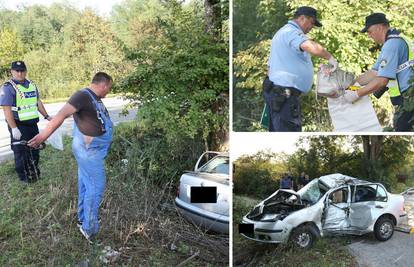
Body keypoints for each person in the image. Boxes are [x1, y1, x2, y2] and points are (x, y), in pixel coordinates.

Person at [29, 72, 114, 243]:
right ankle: (89, 229)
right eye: (109, 88)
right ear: (104, 84)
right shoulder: (82, 95)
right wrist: (41, 138)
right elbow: (60, 116)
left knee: (86, 184)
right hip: (89, 153)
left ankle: (83, 220)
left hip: (92, 151)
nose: (108, 92)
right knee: (95, 188)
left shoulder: (93, 97)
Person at [264, 6, 338, 132]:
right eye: (311, 22)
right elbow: (308, 45)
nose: (312, 27)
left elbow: (273, 66)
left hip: (279, 94)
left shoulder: (283, 32)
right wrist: (330, 58)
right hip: (284, 96)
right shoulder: (291, 32)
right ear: (302, 18)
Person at [343, 13, 414, 131]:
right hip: (408, 96)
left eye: (370, 32)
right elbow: (373, 73)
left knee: (401, 129)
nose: (369, 36)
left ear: (380, 27)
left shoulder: (392, 45)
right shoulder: (397, 40)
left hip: (410, 98)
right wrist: (351, 86)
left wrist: (357, 94)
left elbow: (381, 80)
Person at [0, 61, 52, 183]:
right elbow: (6, 109)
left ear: (25, 71)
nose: (20, 73)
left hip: (32, 125)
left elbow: (37, 102)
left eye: (22, 70)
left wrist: (47, 116)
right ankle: (25, 178)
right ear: (12, 71)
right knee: (21, 152)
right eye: (17, 71)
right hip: (18, 125)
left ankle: (34, 174)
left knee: (35, 149)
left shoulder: (32, 85)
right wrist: (13, 128)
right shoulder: (8, 87)